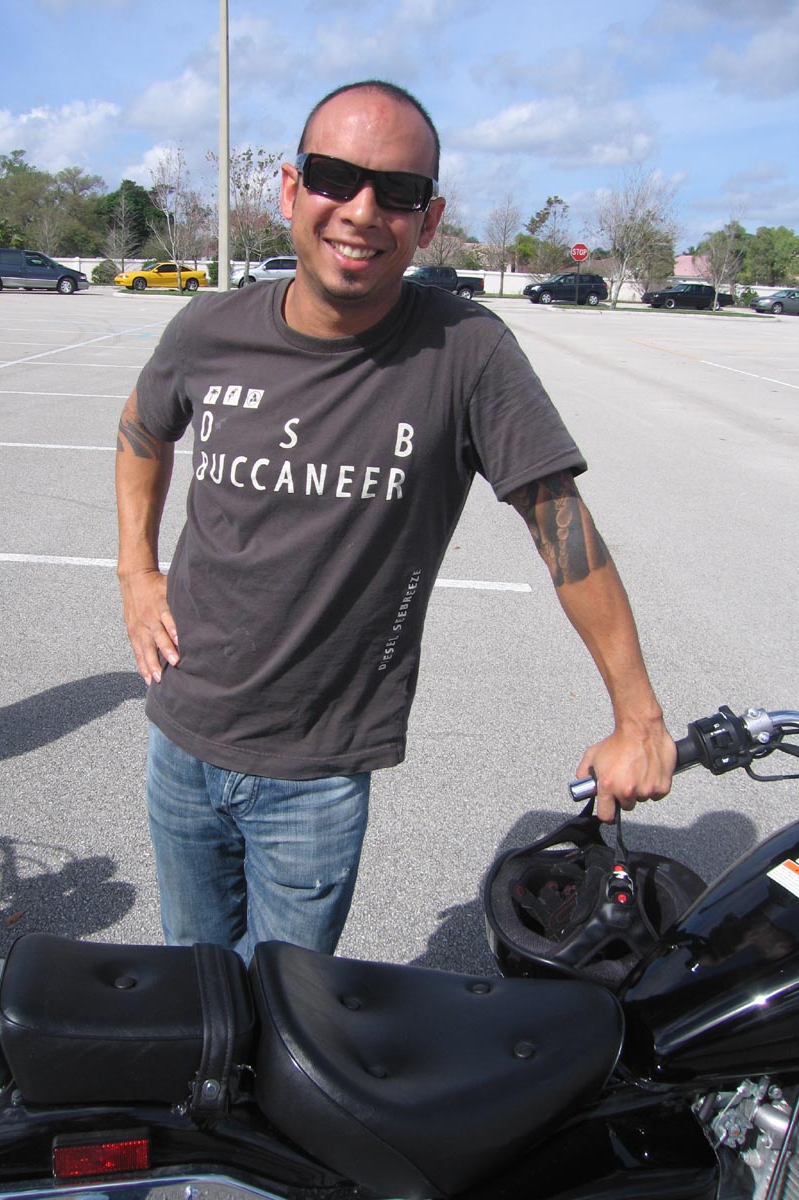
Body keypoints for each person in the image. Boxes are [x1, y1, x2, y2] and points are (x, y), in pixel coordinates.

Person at [115, 79, 675, 962]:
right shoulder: (209, 328)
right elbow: (143, 429)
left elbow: (561, 526)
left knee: (286, 1007)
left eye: (399, 191)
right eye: (336, 177)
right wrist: (136, 572)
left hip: (317, 771)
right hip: (180, 739)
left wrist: (637, 715)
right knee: (194, 992)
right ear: (292, 189)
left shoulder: (467, 352)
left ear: (429, 218)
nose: (363, 211)